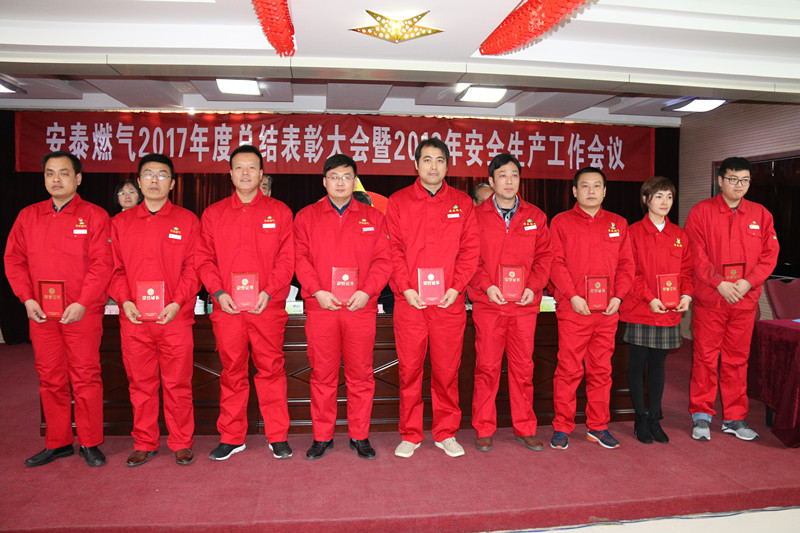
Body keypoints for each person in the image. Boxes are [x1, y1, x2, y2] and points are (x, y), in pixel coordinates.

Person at [4, 151, 112, 467]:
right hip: (42, 313)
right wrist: (27, 299)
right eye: (50, 173)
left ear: (78, 178)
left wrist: (83, 302)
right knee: (50, 377)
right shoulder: (28, 216)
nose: (56, 179)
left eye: (64, 173)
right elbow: (14, 260)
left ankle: (90, 442)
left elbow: (102, 264)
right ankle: (59, 441)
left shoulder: (94, 216)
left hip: (81, 313)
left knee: (86, 376)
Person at [196, 145, 295, 461]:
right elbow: (203, 259)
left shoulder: (280, 211)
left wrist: (269, 291)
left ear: (261, 173)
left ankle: (277, 436)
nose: (245, 173)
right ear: (230, 173)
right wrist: (218, 292)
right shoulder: (213, 214)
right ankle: (231, 436)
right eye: (239, 167)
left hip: (267, 307)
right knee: (232, 372)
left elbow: (287, 260)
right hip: (228, 309)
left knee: (272, 371)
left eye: (252, 167)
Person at [386, 137, 479, 458]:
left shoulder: (462, 202)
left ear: (447, 166)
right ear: (416, 164)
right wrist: (406, 288)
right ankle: (410, 433)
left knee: (446, 372)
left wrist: (456, 288)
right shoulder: (399, 201)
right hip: (410, 303)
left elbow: (470, 251)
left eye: (439, 160)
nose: (433, 166)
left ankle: (446, 432)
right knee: (410, 370)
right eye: (427, 160)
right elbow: (393, 250)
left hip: (448, 303)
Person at [294, 154, 391, 460]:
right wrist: (317, 291)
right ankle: (322, 437)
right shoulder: (306, 217)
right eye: (334, 177)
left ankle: (359, 435)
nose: (340, 182)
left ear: (354, 181)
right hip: (321, 308)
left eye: (346, 177)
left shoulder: (374, 218)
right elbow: (300, 259)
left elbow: (384, 261)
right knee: (322, 375)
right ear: (324, 182)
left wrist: (368, 292)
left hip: (360, 309)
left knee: (360, 375)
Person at [109, 153, 200, 467]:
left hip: (175, 318)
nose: (154, 180)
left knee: (178, 384)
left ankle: (181, 442)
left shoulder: (187, 220)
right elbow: (114, 269)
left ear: (172, 183)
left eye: (162, 175)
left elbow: (193, 269)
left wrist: (177, 302)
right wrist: (125, 301)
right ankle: (144, 441)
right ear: (138, 181)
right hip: (135, 320)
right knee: (141, 384)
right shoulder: (120, 223)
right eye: (148, 174)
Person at [685, 157, 779, 442]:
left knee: (737, 361)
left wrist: (748, 282)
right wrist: (719, 283)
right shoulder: (701, 212)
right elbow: (696, 256)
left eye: (745, 180)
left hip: (744, 301)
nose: (739, 185)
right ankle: (701, 415)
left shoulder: (761, 214)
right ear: (720, 180)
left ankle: (734, 418)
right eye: (733, 179)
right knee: (705, 358)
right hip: (711, 300)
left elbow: (769, 256)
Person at [469, 154, 553, 452]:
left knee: (523, 369)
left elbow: (545, 257)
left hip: (524, 307)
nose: (509, 181)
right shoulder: (475, 216)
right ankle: (484, 428)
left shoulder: (535, 216)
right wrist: (487, 286)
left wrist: (534, 286)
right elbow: (469, 258)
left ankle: (525, 427)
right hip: (489, 305)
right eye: (502, 175)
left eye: (514, 175)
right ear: (491, 181)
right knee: (487, 368)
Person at [548, 166, 635, 450]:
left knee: (601, 371)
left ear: (605, 191)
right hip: (574, 309)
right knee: (568, 370)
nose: (591, 191)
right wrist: (573, 296)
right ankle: (562, 427)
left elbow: (627, 265)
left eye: (597, 186)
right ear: (574, 191)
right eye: (584, 186)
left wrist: (618, 297)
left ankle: (598, 426)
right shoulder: (561, 222)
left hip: (607, 311)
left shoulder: (618, 223)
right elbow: (555, 263)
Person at [619, 176, 693, 444]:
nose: (665, 202)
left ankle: (654, 417)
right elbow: (630, 272)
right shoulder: (633, 232)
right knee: (638, 363)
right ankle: (640, 417)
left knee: (659, 365)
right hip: (641, 308)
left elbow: (687, 271)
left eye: (669, 197)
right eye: (659, 196)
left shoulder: (679, 235)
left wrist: (686, 295)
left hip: (669, 311)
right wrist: (649, 298)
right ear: (646, 199)